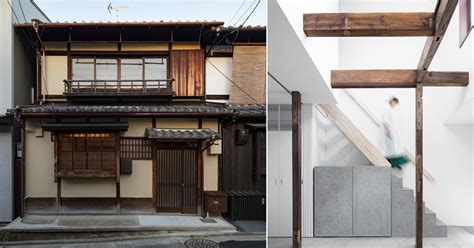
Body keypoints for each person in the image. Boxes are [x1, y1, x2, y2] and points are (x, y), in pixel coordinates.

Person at [382, 97, 409, 170]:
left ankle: (394, 163)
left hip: (393, 131)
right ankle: (392, 163)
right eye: (394, 102)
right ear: (391, 101)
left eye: (396, 103)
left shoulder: (392, 110)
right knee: (392, 148)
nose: (395, 104)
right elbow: (385, 121)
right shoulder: (387, 109)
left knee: (395, 148)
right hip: (389, 132)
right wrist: (388, 131)